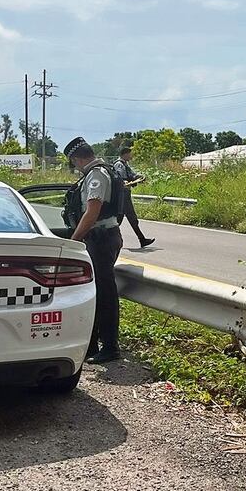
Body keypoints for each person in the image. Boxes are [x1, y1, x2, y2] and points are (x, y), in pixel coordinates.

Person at [63, 136, 123, 364]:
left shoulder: (96, 174)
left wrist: (74, 239)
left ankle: (110, 347)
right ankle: (93, 345)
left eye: (73, 164)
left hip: (100, 239)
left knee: (105, 295)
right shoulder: (101, 171)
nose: (75, 168)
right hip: (103, 237)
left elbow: (92, 211)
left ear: (76, 159)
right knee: (96, 293)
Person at [113, 147, 156, 248]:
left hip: (125, 194)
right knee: (123, 219)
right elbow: (120, 178)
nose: (131, 156)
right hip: (122, 194)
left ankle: (142, 239)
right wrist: (125, 182)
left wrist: (139, 177)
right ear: (125, 154)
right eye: (130, 154)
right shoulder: (119, 164)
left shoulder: (125, 164)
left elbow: (131, 175)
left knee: (127, 219)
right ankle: (109, 239)